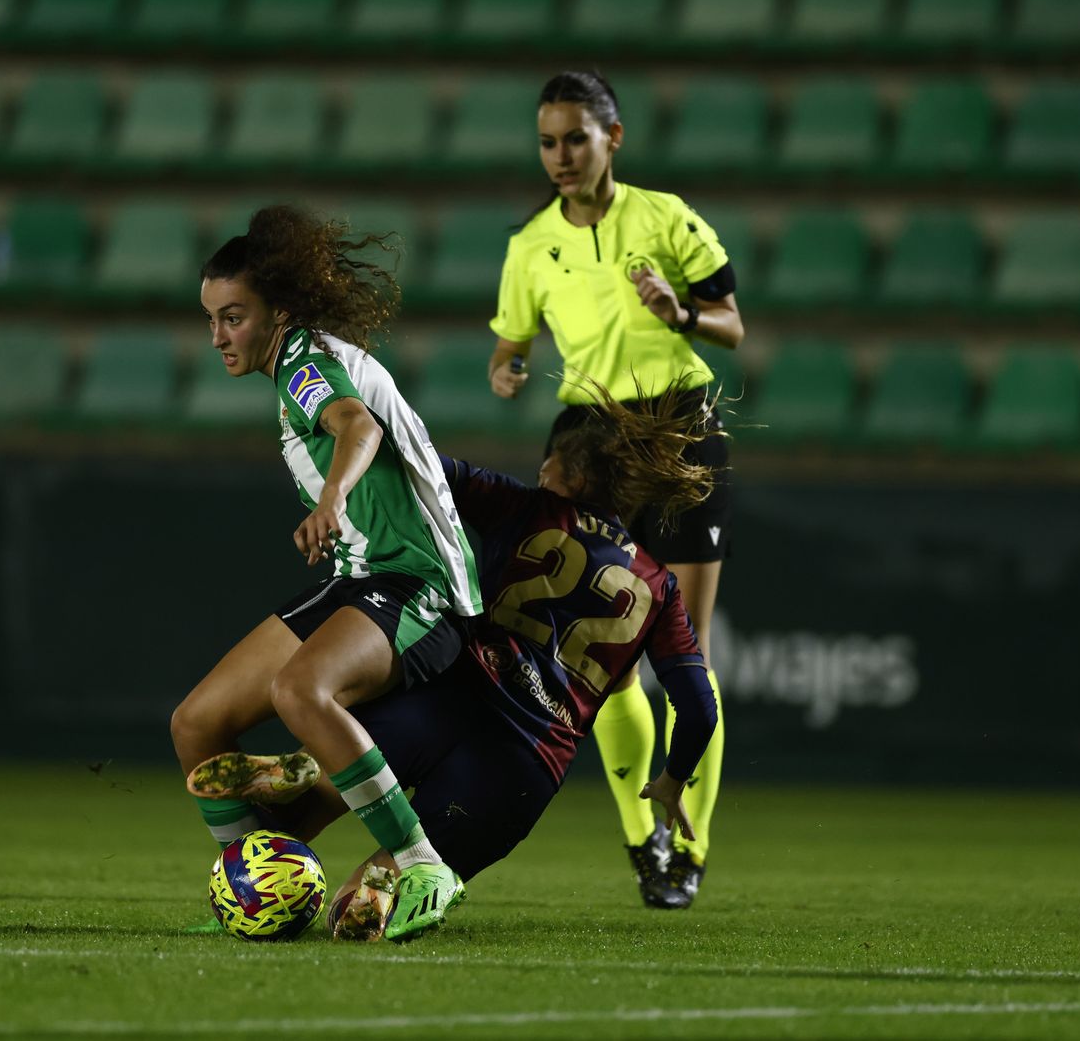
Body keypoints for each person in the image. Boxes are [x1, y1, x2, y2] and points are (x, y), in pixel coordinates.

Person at [217, 378, 721, 941]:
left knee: (291, 820)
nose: (541, 474)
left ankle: (307, 773)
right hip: (520, 763)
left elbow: (423, 465)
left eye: (548, 467)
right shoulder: (661, 587)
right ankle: (386, 884)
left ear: (576, 479)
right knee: (362, 911)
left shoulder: (529, 506)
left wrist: (355, 420)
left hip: (443, 703)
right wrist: (673, 780)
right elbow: (699, 708)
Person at [171, 204, 482, 942]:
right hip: (360, 576)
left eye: (234, 317)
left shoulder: (304, 364)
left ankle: (422, 864)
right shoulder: (306, 360)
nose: (218, 336)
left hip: (418, 582)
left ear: (278, 312)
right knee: (197, 723)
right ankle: (257, 885)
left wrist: (333, 496)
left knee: (299, 690)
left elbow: (357, 424)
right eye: (211, 319)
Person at [483, 70, 747, 909]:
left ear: (613, 138)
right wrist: (506, 368)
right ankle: (646, 840)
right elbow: (509, 344)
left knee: (688, 656)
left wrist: (680, 315)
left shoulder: (665, 218)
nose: (560, 156)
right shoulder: (531, 245)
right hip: (589, 443)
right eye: (547, 142)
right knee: (607, 658)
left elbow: (732, 324)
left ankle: (690, 847)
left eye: (576, 139)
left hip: (679, 427)